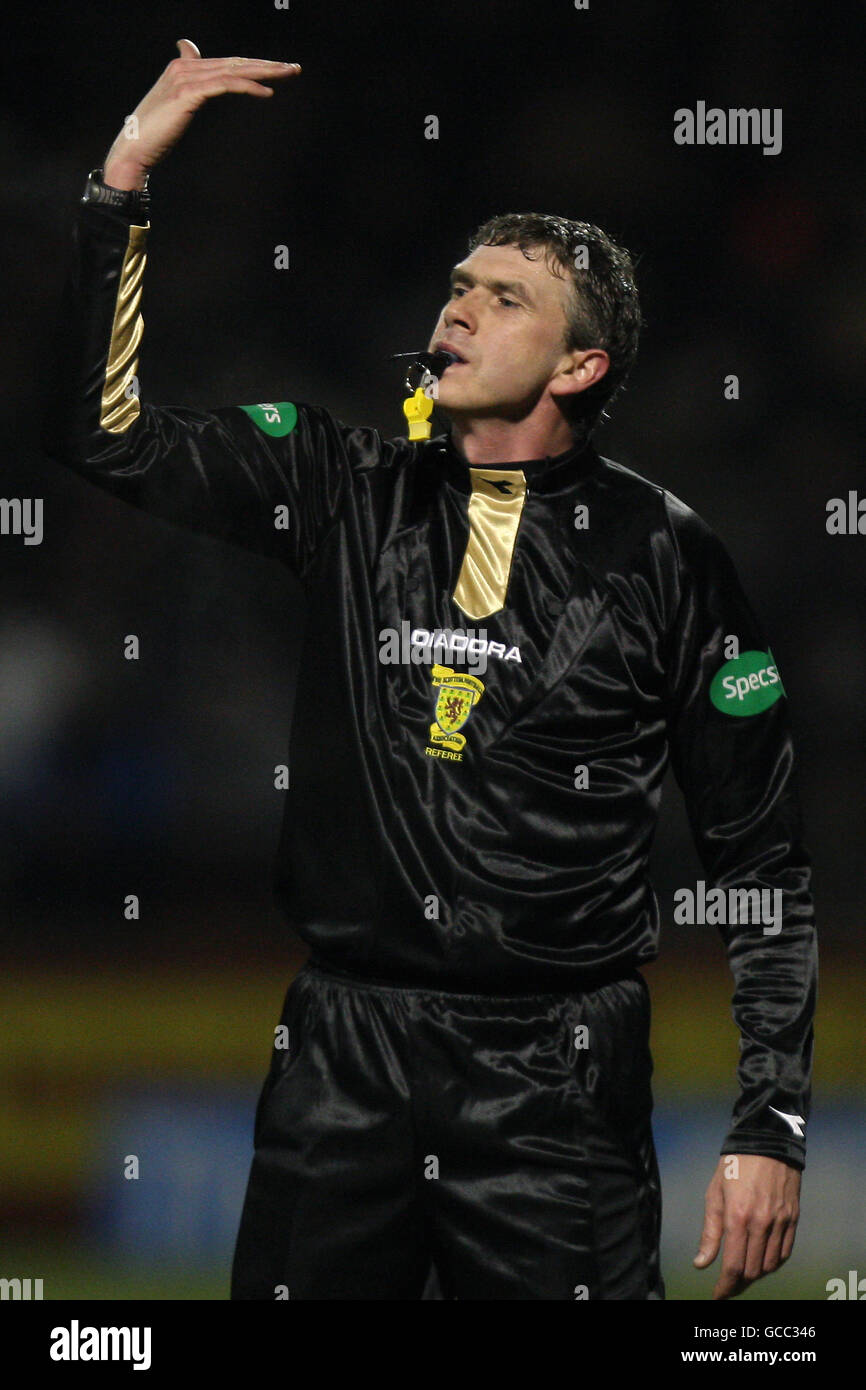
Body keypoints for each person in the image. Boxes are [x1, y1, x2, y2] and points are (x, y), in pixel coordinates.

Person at [45, 40, 817, 1301]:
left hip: (556, 1078)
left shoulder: (664, 555)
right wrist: (122, 181)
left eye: (505, 297)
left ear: (580, 367)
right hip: (340, 1059)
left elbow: (759, 862)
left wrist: (767, 1121)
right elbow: (102, 434)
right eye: (459, 282)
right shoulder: (342, 487)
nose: (456, 306)